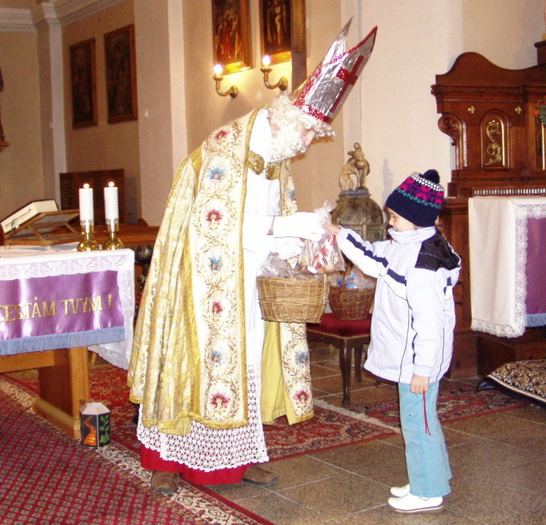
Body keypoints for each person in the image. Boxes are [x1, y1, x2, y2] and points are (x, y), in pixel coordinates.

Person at [128, 20, 377, 495]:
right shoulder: (225, 148)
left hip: (248, 279)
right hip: (201, 281)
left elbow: (263, 226)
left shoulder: (276, 157)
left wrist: (296, 241)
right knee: (199, 364)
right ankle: (168, 461)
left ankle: (238, 459)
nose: (309, 142)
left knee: (245, 363)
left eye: (315, 133)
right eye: (308, 131)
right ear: (285, 118)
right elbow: (213, 228)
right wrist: (284, 227)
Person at [325, 169, 461, 514]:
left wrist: (423, 369)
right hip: (410, 356)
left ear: (416, 221)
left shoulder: (423, 265)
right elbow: (372, 256)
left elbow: (430, 324)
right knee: (421, 419)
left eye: (395, 217)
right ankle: (430, 477)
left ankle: (428, 492)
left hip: (417, 360)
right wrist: (339, 234)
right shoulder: (406, 245)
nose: (390, 223)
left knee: (418, 423)